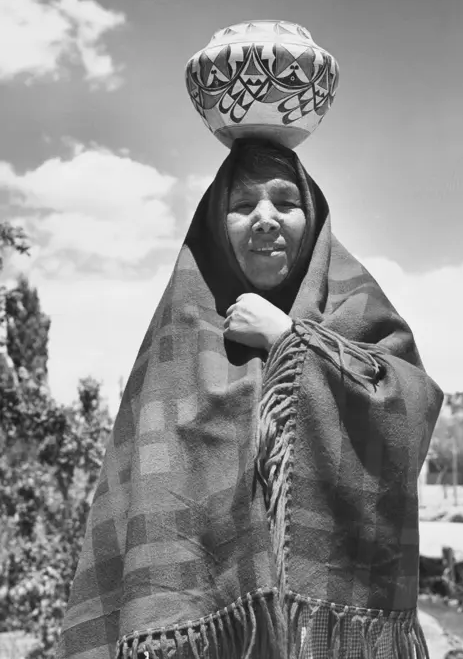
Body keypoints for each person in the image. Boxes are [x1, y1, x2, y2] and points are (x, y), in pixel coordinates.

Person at [57, 139, 443, 659]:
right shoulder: (181, 335)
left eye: (285, 202)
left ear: (314, 219)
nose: (265, 219)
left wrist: (288, 337)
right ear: (218, 225)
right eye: (243, 206)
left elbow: (410, 410)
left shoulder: (356, 307)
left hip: (324, 635)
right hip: (213, 635)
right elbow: (146, 492)